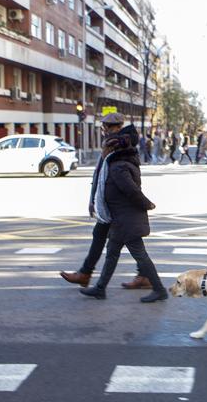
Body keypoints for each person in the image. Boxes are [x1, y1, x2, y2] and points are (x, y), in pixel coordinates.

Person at [78, 119, 167, 303]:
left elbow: (132, 191)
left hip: (127, 219)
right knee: (112, 252)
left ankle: (159, 290)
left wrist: (147, 204)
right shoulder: (117, 164)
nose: (103, 152)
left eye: (105, 149)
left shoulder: (118, 167)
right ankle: (100, 289)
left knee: (140, 255)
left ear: (112, 150)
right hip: (120, 218)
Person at [60, 113, 150, 290]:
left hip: (117, 203)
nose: (104, 130)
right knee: (109, 238)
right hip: (110, 202)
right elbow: (100, 173)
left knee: (129, 243)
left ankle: (90, 277)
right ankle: (88, 274)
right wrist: (93, 198)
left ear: (116, 126)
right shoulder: (114, 142)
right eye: (104, 127)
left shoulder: (120, 143)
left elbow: (119, 174)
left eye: (106, 127)